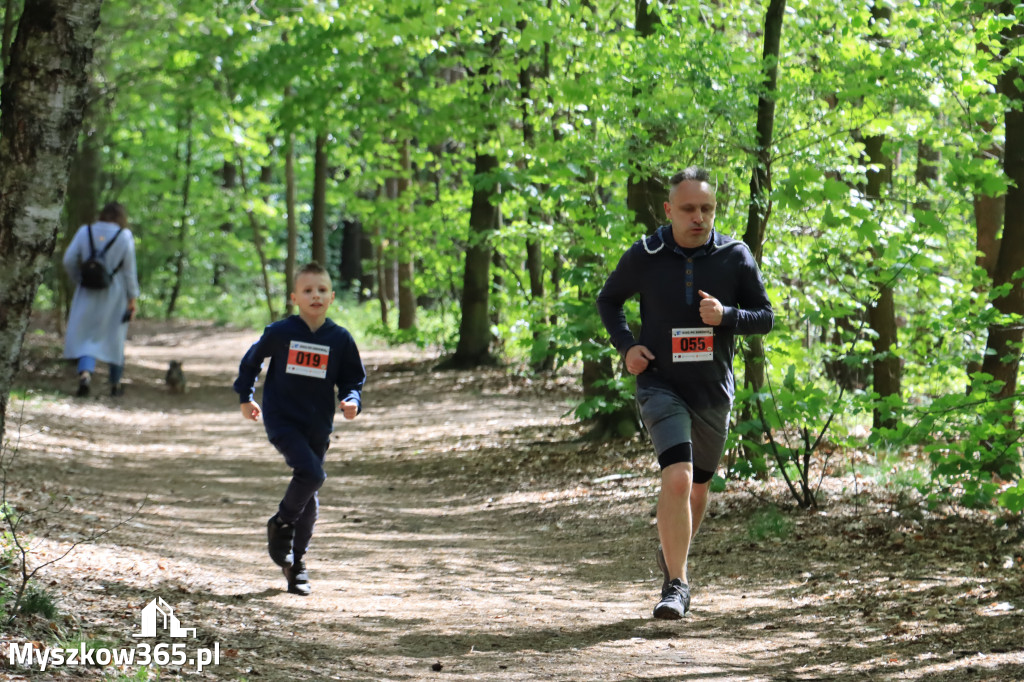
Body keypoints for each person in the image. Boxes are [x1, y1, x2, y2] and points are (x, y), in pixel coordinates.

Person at [596, 167, 773, 619]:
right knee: (676, 476)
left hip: (712, 388)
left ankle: (672, 554)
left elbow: (765, 317)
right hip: (660, 382)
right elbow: (608, 300)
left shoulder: (735, 256)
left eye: (707, 208)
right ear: (669, 209)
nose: (699, 217)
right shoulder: (646, 254)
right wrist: (627, 346)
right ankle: (677, 584)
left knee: (697, 489)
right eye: (689, 208)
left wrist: (727, 315)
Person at [233, 262, 366, 596]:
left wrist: (351, 400)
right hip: (282, 420)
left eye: (322, 290)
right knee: (312, 475)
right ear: (295, 298)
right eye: (308, 291)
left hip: (318, 425)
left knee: (310, 495)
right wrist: (245, 397)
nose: (315, 296)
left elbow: (352, 379)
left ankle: (296, 564)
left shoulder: (339, 339)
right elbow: (252, 361)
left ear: (332, 296)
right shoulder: (280, 332)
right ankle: (280, 524)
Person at [62, 202, 140, 398]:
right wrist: (132, 298)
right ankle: (115, 383)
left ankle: (85, 374)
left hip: (87, 291)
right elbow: (129, 271)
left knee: (86, 337)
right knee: (114, 337)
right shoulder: (124, 236)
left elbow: (69, 259)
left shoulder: (84, 231)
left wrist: (79, 279)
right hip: (115, 293)